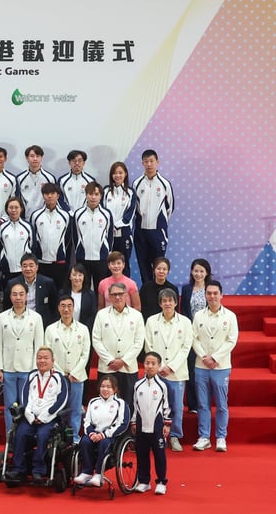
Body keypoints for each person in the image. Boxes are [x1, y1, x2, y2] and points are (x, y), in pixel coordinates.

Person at [6, 347, 68, 484]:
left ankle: (38, 471)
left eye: (46, 358)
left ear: (53, 361)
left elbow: (62, 401)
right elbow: (24, 398)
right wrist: (30, 416)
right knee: (20, 434)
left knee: (43, 436)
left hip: (49, 419)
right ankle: (18, 469)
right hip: (31, 418)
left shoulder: (59, 378)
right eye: (39, 358)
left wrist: (45, 417)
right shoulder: (32, 375)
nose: (42, 360)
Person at [191, 280, 238, 452]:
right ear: (205, 296)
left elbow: (231, 340)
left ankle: (220, 437)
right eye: (209, 293)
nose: (212, 296)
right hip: (201, 365)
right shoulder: (198, 316)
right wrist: (204, 357)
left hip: (221, 366)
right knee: (202, 404)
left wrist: (215, 357)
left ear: (221, 295)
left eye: (215, 293)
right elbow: (193, 338)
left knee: (221, 404)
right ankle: (204, 437)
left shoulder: (230, 316)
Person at [144, 288, 193, 451]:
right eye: (164, 301)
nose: (167, 303)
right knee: (154, 405)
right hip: (156, 372)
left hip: (177, 372)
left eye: (170, 300)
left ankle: (175, 436)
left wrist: (171, 366)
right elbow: (148, 345)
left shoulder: (185, 322)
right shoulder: (151, 321)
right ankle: (156, 436)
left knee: (177, 406)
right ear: (160, 303)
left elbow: (186, 347)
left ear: (176, 302)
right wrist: (158, 367)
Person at [0, 283, 45, 432]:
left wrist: (38, 369)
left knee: (27, 405)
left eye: (21, 294)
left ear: (27, 296)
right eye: (15, 294)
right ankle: (10, 438)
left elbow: (39, 345)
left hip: (28, 368)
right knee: (10, 406)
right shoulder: (2, 317)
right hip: (8, 368)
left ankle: (25, 436)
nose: (18, 297)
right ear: (10, 296)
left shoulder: (36, 318)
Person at [44, 295, 91, 442]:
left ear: (74, 307)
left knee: (76, 410)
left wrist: (74, 372)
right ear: (58, 308)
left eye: (69, 306)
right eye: (63, 306)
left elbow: (85, 353)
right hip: (57, 378)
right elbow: (48, 354)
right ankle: (58, 439)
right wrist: (60, 374)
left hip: (77, 377)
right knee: (58, 410)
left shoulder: (83, 329)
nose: (66, 309)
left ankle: (75, 438)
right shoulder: (51, 329)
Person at [92, 282, 145, 405]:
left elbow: (139, 342)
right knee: (105, 402)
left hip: (128, 367)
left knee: (128, 402)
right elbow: (96, 340)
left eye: (120, 294)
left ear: (126, 295)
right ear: (109, 297)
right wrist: (110, 360)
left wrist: (124, 360)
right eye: (114, 294)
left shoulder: (136, 315)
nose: (117, 297)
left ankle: (126, 424)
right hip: (107, 367)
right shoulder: (101, 315)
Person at [73, 375, 129, 487]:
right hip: (94, 433)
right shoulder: (93, 402)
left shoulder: (120, 403)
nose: (105, 389)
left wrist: (104, 435)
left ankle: (98, 474)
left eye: (109, 387)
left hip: (110, 436)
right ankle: (86, 472)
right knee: (85, 441)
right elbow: (87, 421)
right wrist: (92, 433)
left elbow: (122, 424)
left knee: (104, 443)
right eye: (103, 386)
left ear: (115, 389)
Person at [131, 352, 171, 494]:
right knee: (142, 454)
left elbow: (168, 405)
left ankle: (161, 481)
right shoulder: (137, 385)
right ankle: (144, 481)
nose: (149, 366)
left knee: (159, 454)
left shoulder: (163, 385)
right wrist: (134, 422)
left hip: (157, 425)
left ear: (159, 366)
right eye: (147, 363)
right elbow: (135, 406)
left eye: (153, 363)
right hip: (142, 425)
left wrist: (167, 424)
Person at [132, 149, 175, 283]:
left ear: (157, 162)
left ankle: (160, 294)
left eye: (152, 161)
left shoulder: (164, 184)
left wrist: (161, 223)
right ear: (142, 163)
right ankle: (147, 294)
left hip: (158, 231)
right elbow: (134, 207)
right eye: (146, 161)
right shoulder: (136, 183)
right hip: (141, 231)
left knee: (158, 266)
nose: (149, 164)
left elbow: (170, 207)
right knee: (143, 266)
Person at [181, 258, 212, 414]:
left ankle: (205, 403)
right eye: (195, 271)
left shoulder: (211, 289)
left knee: (205, 372)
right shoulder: (186, 289)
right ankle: (193, 404)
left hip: (207, 334)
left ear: (207, 273)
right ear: (191, 272)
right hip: (191, 334)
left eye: (201, 271)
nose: (198, 274)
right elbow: (184, 311)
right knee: (191, 371)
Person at [30, 183, 71, 290]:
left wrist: (62, 255)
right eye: (46, 193)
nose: (49, 196)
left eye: (52, 193)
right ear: (43, 195)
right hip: (41, 261)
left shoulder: (65, 216)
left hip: (59, 262)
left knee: (59, 292)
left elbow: (68, 239)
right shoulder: (36, 215)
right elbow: (32, 239)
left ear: (57, 196)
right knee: (42, 292)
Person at [72, 181, 113, 287]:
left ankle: (100, 305)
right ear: (86, 195)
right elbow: (75, 236)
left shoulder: (106, 214)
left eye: (96, 194)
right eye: (90, 194)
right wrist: (79, 250)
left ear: (101, 196)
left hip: (101, 257)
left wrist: (107, 252)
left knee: (100, 288)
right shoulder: (78, 214)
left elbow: (110, 236)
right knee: (83, 287)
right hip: (82, 257)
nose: (93, 197)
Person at [102, 161, 137, 275]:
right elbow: (102, 211)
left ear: (125, 174)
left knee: (123, 262)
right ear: (111, 175)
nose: (117, 175)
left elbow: (129, 214)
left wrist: (116, 225)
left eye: (120, 173)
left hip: (124, 233)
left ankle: (124, 291)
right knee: (108, 262)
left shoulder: (130, 192)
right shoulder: (106, 191)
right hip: (107, 233)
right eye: (115, 173)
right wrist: (109, 227)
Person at [0, 196, 32, 288]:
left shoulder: (28, 226)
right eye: (11, 207)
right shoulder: (2, 228)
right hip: (7, 268)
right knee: (7, 296)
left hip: (23, 269)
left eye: (16, 207)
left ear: (21, 209)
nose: (13, 210)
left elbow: (32, 246)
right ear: (7, 209)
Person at [8, 254, 59, 322]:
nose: (28, 269)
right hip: (19, 320)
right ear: (21, 268)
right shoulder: (13, 283)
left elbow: (54, 306)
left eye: (31, 266)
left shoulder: (47, 283)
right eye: (25, 266)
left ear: (37, 267)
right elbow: (7, 305)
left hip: (41, 321)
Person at [15, 144, 57, 218]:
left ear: (41, 158)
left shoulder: (50, 178)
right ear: (27, 158)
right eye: (32, 156)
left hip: (44, 218)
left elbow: (55, 199)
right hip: (25, 218)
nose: (35, 159)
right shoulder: (19, 178)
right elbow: (17, 199)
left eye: (38, 156)